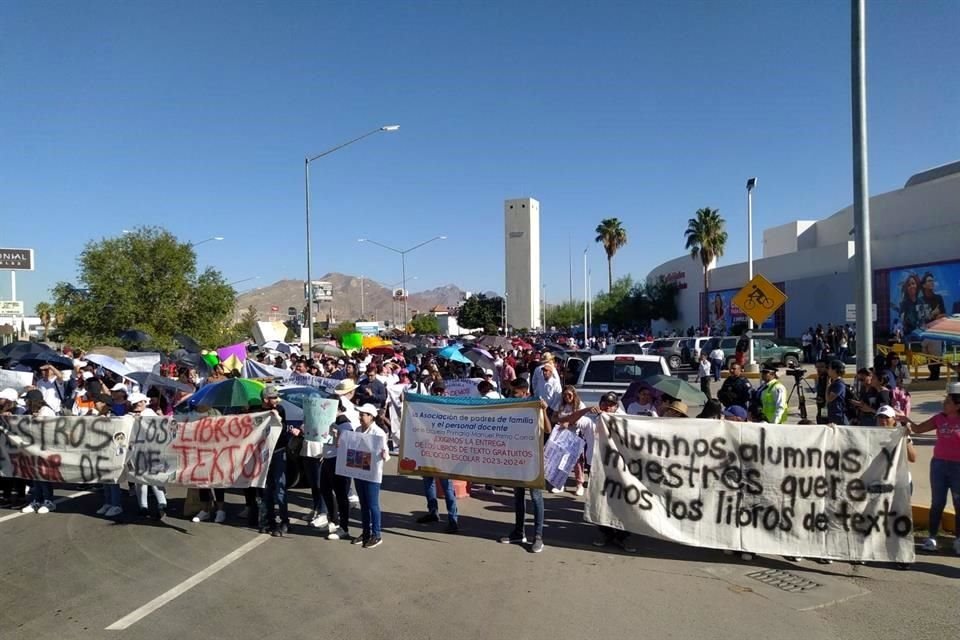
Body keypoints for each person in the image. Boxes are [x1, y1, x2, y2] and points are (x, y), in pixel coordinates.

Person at [906, 383, 960, 555]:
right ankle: (932, 537)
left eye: (949, 401)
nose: (945, 403)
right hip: (939, 465)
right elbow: (918, 429)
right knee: (937, 502)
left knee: (959, 504)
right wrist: (905, 420)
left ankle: (958, 539)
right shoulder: (939, 418)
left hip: (958, 467)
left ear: (958, 405)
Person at [499, 380, 548, 553]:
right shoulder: (511, 406)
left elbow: (547, 429)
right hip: (515, 457)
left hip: (532, 459)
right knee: (518, 496)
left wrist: (544, 411)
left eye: (515, 392)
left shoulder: (535, 405)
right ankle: (518, 532)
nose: (512, 395)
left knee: (535, 497)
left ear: (524, 392)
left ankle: (538, 536)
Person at [416, 382, 460, 532]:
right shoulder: (425, 405)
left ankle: (453, 519)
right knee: (428, 482)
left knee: (447, 486)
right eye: (436, 391)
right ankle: (432, 512)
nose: (439, 394)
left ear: (446, 392)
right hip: (427, 449)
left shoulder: (451, 407)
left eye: (441, 391)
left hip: (444, 452)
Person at [352, 403, 390, 549]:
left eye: (363, 414)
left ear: (371, 417)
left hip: (372, 473)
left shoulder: (378, 433)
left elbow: (384, 452)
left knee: (373, 505)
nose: (360, 417)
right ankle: (366, 533)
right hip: (359, 471)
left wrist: (384, 454)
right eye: (360, 414)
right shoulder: (357, 430)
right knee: (363, 504)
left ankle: (377, 534)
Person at [260, 385, 294, 536]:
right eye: (273, 397)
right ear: (266, 400)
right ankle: (268, 520)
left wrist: (279, 419)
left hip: (279, 451)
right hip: (263, 453)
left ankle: (284, 521)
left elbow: (284, 427)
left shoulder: (279, 410)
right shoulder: (259, 411)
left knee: (280, 488)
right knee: (266, 488)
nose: (276, 400)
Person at [20, 390, 58, 514]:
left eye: (27, 400)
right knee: (35, 475)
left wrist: (38, 419)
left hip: (46, 447)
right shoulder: (30, 412)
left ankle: (48, 501)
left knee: (44, 475)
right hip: (34, 447)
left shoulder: (46, 411)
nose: (25, 402)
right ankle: (37, 500)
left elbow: (52, 428)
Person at [825, 360, 848, 425]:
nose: (828, 370)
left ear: (834, 370)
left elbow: (829, 399)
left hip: (838, 415)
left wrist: (827, 387)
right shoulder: (834, 382)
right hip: (833, 415)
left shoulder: (839, 384)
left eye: (829, 368)